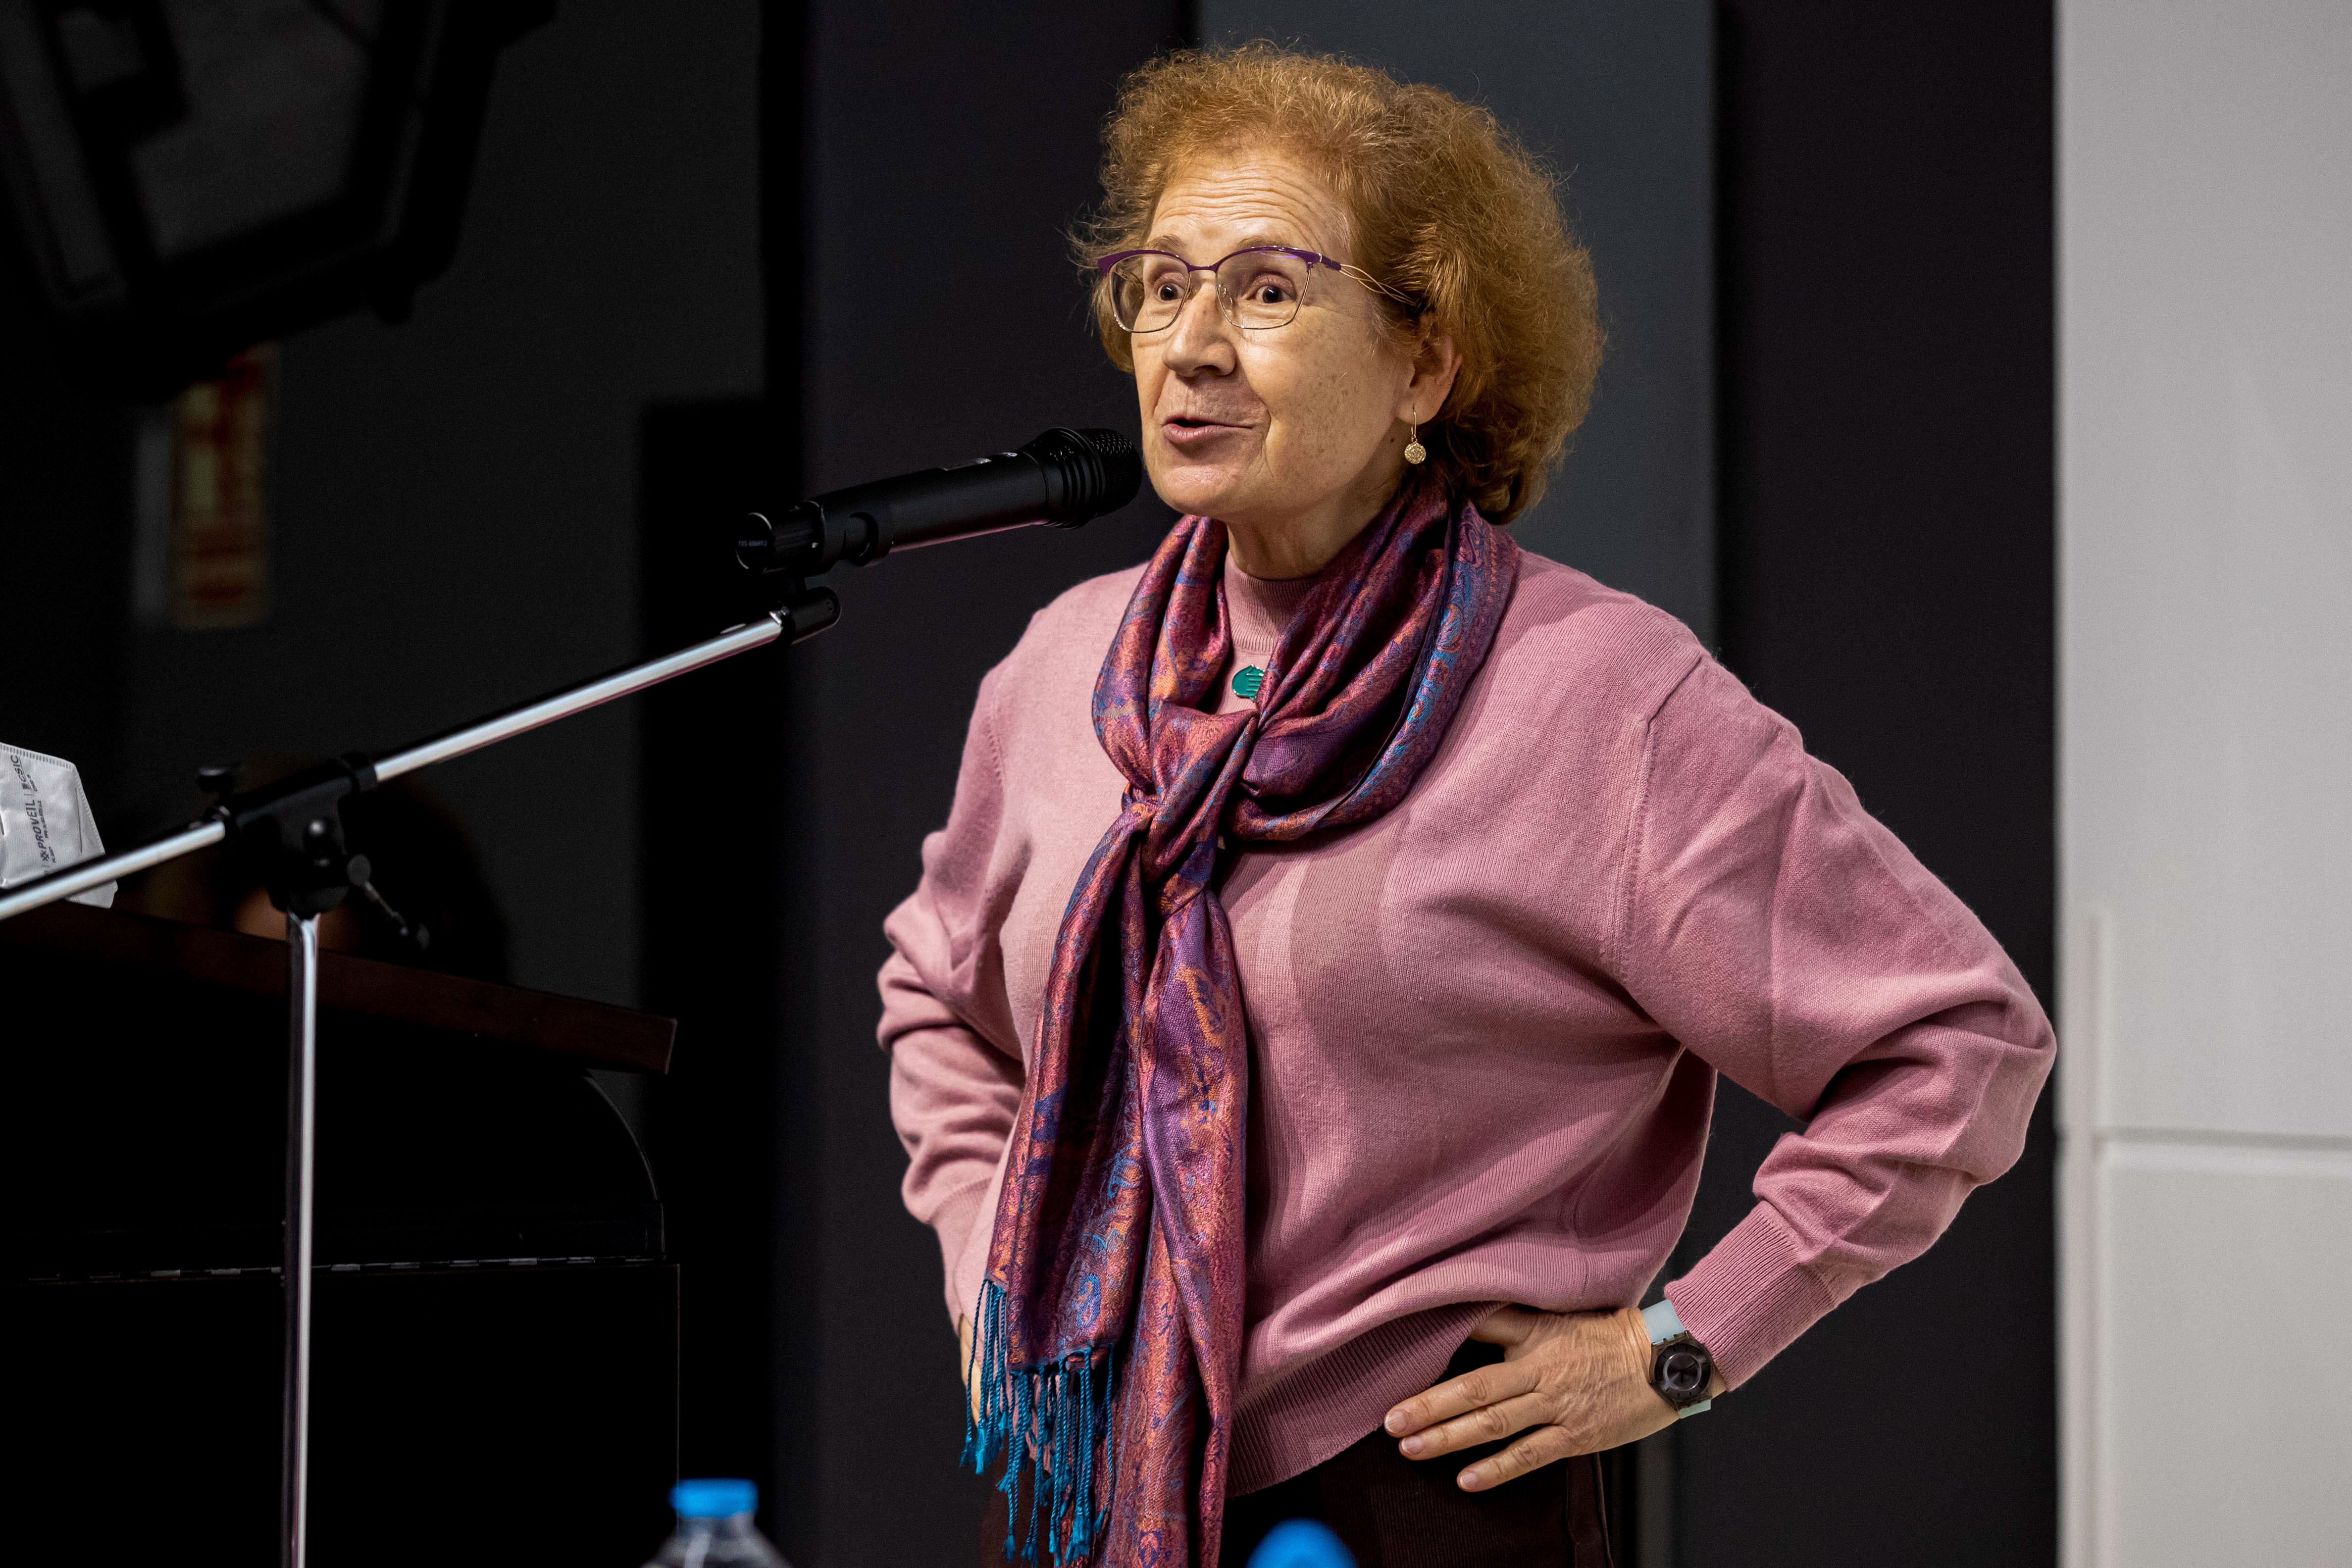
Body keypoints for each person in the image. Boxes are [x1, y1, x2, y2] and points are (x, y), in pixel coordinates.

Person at [878, 44, 2053, 1568]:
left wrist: (1681, 1349)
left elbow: (1961, 1043)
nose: (1192, 345)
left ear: (1428, 364)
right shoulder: (1060, 672)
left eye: (1270, 290)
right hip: (1073, 1482)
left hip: (1412, 1502)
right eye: (1159, 285)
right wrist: (993, 1270)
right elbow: (940, 1001)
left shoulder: (1597, 698)